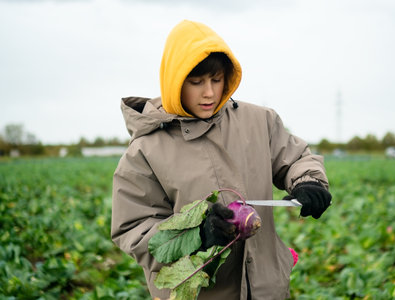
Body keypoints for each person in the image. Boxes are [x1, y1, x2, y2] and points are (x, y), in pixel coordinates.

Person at [111, 20, 332, 300]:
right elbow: (133, 229)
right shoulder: (145, 150)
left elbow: (296, 157)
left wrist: (309, 182)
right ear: (174, 82)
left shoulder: (258, 121)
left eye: (216, 80)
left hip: (266, 289)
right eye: (196, 82)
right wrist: (196, 235)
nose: (209, 93)